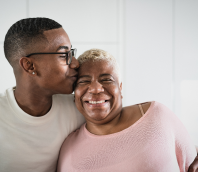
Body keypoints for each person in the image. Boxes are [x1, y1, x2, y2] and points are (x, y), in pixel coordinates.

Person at [57, 49, 197, 172]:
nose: (95, 88)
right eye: (83, 81)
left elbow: (191, 160)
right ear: (75, 94)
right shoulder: (68, 147)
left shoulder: (157, 116)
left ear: (120, 88)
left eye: (106, 79)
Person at [0, 18, 85, 172]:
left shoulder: (78, 108)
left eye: (71, 53)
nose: (75, 63)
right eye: (64, 55)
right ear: (30, 66)